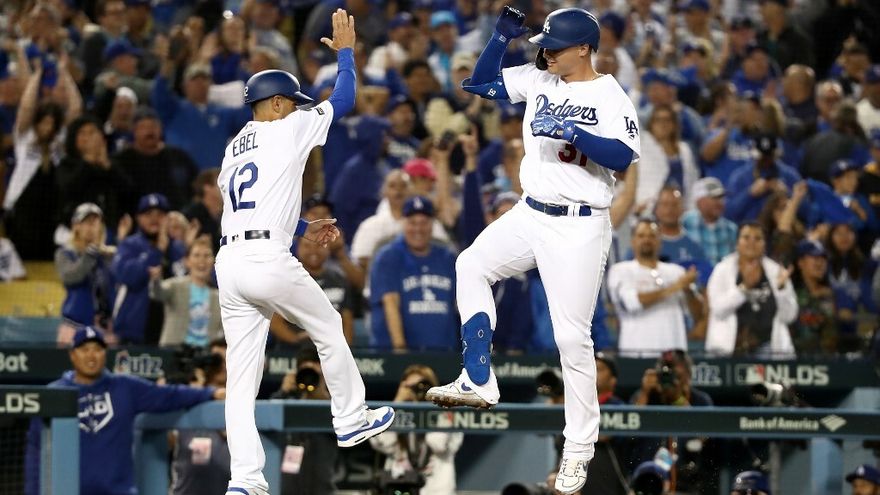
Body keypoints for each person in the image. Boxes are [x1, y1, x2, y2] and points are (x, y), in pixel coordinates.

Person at [425, 7, 641, 494]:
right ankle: (477, 378)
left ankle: (579, 449)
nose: (547, 53)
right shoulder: (539, 77)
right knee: (471, 265)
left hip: (580, 223)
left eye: (555, 47)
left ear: (584, 48)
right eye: (544, 46)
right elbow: (479, 85)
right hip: (531, 212)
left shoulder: (609, 94)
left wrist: (571, 131)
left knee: (572, 339)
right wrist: (499, 41)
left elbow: (623, 156)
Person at [213, 10, 394, 495]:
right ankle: (351, 417)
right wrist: (346, 54)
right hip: (266, 260)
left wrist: (299, 225)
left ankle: (245, 479)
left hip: (230, 263)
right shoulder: (286, 128)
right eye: (291, 102)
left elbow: (251, 208)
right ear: (275, 103)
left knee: (242, 378)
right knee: (329, 325)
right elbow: (345, 99)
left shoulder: (233, 148)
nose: (296, 109)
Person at [24, 326, 225, 495]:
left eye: (97, 349)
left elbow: (168, 395)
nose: (91, 355)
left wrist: (210, 393)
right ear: (72, 355)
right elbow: (36, 451)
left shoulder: (125, 387)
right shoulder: (55, 393)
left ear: (105, 353)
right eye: (84, 349)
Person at [369, 196, 459, 351]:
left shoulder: (447, 257)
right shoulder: (388, 257)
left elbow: (460, 303)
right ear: (403, 223)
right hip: (399, 354)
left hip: (445, 352)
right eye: (412, 223)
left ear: (432, 224)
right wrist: (401, 350)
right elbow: (390, 302)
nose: (418, 229)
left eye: (424, 223)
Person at [608, 220, 704, 356]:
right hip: (636, 352)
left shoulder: (676, 271)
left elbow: (698, 315)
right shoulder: (621, 270)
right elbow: (632, 303)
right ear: (632, 241)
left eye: (652, 236)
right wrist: (676, 286)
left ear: (660, 241)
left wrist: (688, 292)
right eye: (641, 236)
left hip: (674, 353)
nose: (647, 240)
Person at [705, 222, 798, 357]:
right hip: (727, 351)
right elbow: (718, 309)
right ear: (737, 243)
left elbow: (789, 316)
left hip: (770, 350)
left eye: (757, 238)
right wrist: (744, 287)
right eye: (746, 237)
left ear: (765, 244)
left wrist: (781, 290)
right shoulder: (722, 270)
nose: (751, 243)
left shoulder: (777, 272)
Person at [370, 365, 464, 495]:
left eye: (422, 387)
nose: (417, 391)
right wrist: (397, 403)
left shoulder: (445, 414)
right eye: (410, 387)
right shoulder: (398, 413)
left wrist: (429, 409)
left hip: (437, 487)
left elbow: (439, 444)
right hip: (401, 485)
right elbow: (383, 443)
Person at [112, 193, 186, 344]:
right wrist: (156, 252)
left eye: (160, 214)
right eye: (148, 214)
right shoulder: (129, 245)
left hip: (171, 331)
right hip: (135, 331)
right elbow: (127, 276)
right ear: (138, 218)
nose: (154, 219)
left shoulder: (177, 248)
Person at [270, 343, 340, 495]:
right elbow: (268, 419)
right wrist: (283, 391)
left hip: (322, 485)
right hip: (289, 486)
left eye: (315, 374)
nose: (310, 379)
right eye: (306, 372)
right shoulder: (289, 401)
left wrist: (322, 397)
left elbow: (343, 430)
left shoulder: (335, 403)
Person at [170, 340, 231, 495]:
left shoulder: (242, 398)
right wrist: (195, 391)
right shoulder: (188, 398)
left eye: (227, 359)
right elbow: (167, 439)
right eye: (217, 360)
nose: (222, 365)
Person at [55, 203, 117, 344]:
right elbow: (70, 277)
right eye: (86, 222)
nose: (91, 226)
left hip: (105, 328)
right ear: (76, 226)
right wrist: (90, 254)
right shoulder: (65, 253)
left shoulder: (109, 256)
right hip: (74, 327)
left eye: (95, 222)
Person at [150, 238, 222, 347]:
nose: (202, 260)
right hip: (174, 351)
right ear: (187, 261)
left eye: (206, 255)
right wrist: (155, 281)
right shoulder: (175, 285)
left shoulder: (219, 296)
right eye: (197, 255)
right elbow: (158, 293)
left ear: (214, 261)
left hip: (206, 354)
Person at [682, 177, 739, 265]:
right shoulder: (685, 223)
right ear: (699, 201)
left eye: (721, 198)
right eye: (714, 198)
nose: (720, 202)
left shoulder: (731, 229)